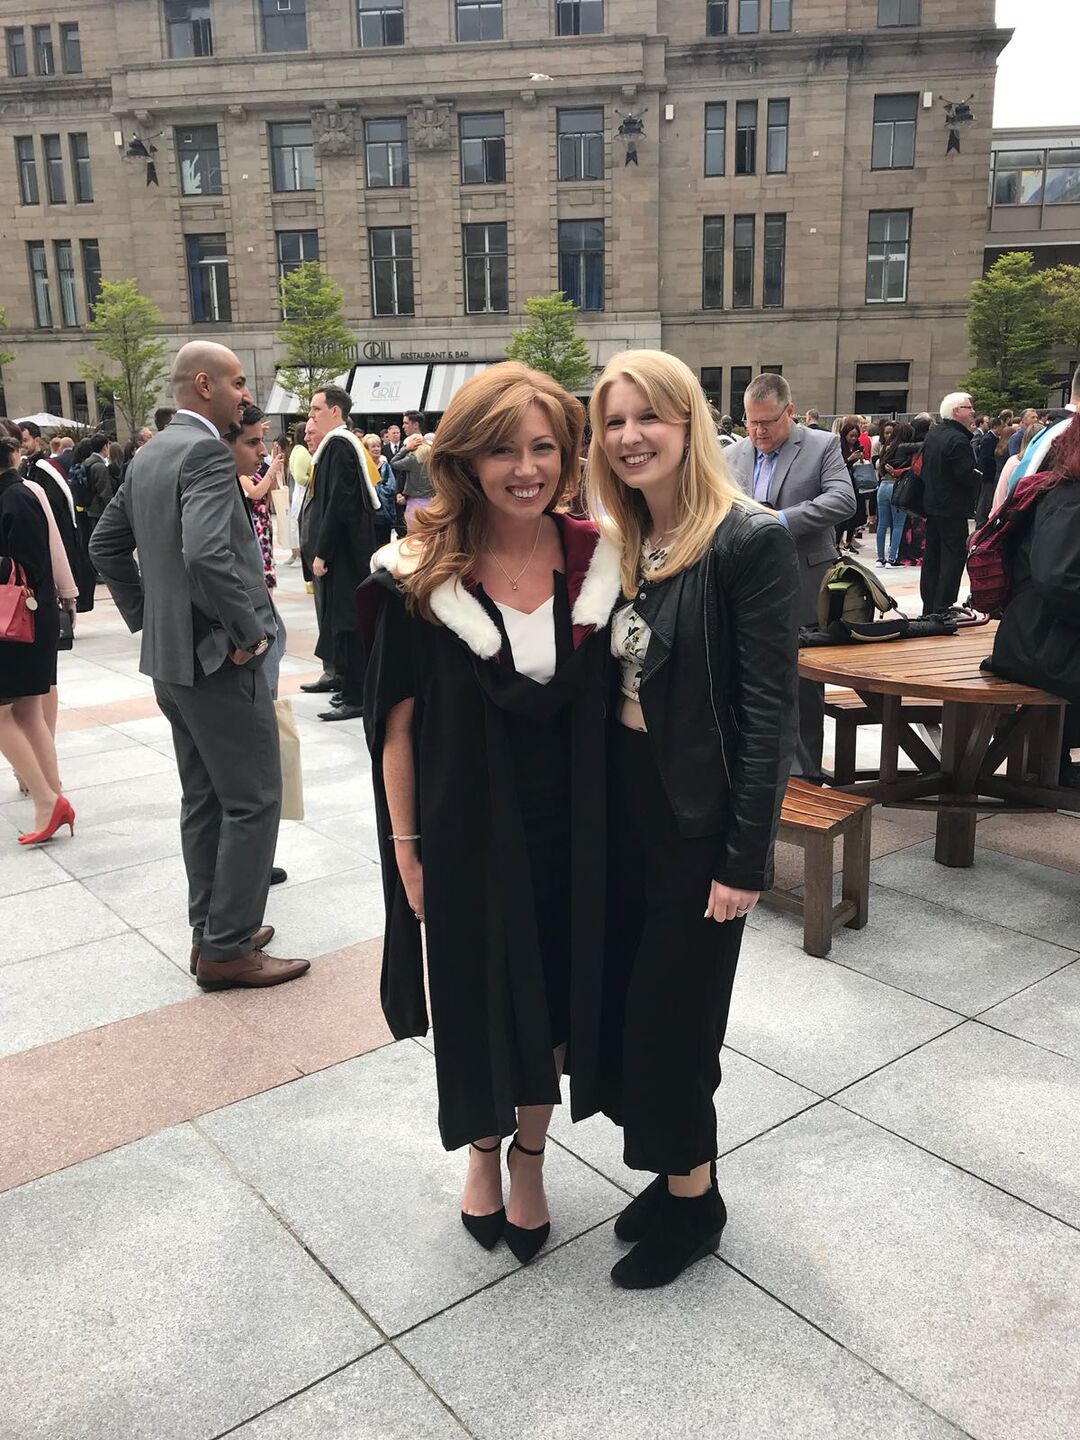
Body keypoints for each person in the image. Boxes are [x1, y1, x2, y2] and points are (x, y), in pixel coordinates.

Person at [358, 362, 620, 1266]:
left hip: (574, 831)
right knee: (475, 998)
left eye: (545, 446)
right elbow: (395, 729)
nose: (526, 467)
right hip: (464, 831)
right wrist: (407, 851)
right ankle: (479, 1149)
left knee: (550, 1001)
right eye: (503, 447)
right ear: (464, 460)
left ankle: (532, 1159)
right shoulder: (419, 575)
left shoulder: (602, 562)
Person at [586, 350, 797, 1289]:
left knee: (677, 1018)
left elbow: (767, 718)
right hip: (624, 804)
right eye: (613, 422)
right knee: (634, 1004)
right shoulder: (625, 539)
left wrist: (744, 857)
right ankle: (674, 1176)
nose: (630, 438)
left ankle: (696, 1200)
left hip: (697, 819)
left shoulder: (747, 542)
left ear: (689, 425)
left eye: (648, 419)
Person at [90, 340, 308, 991]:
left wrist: (152, 620)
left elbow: (106, 544)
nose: (247, 395)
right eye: (240, 383)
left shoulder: (152, 450)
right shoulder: (208, 452)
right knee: (253, 799)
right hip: (217, 663)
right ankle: (228, 946)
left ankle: (211, 929)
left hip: (172, 664)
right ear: (205, 384)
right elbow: (209, 554)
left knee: (205, 798)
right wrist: (248, 635)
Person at [726, 372, 854, 780]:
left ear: (790, 412)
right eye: (751, 422)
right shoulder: (731, 455)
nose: (758, 432)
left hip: (803, 581)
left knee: (802, 686)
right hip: (745, 584)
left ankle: (805, 775)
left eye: (767, 422)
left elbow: (843, 499)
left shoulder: (821, 445)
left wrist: (778, 519)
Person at [987, 412, 1080, 788]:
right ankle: (1033, 753)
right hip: (1040, 646)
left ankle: (1047, 758)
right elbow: (1058, 580)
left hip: (1047, 640)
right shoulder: (1069, 500)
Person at [0, 430, 72, 846]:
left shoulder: (15, 497)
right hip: (24, 619)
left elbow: (27, 566)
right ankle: (53, 796)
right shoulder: (17, 493)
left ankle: (48, 798)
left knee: (7, 714)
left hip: (18, 620)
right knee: (26, 712)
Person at [300, 385, 380, 723]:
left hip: (345, 555)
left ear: (336, 411)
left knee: (348, 622)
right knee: (341, 620)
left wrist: (323, 551)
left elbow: (339, 504)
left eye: (317, 409)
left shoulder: (340, 447)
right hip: (343, 553)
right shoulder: (336, 448)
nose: (311, 416)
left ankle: (356, 695)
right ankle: (347, 685)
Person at [919, 392, 979, 616]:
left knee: (932, 556)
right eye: (968, 407)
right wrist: (976, 479)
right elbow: (965, 474)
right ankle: (942, 606)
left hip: (932, 503)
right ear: (956, 411)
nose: (972, 411)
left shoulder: (934, 433)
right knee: (953, 557)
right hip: (952, 507)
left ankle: (930, 606)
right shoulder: (957, 439)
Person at [876, 421, 915, 566]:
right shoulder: (905, 448)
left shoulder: (886, 447)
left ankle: (880, 558)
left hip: (883, 486)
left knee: (882, 524)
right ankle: (892, 558)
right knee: (898, 524)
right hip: (896, 487)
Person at [835, 415, 866, 553]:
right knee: (842, 515)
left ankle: (849, 541)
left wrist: (860, 459)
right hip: (843, 483)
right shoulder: (839, 447)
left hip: (856, 483)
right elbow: (838, 466)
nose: (853, 439)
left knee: (855, 513)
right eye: (851, 436)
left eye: (855, 436)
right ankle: (837, 542)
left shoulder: (858, 447)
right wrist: (849, 459)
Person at [363, 432, 397, 548]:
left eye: (378, 446)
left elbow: (391, 488)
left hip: (383, 515)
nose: (377, 449)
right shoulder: (363, 468)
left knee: (383, 546)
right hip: (367, 515)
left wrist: (373, 488)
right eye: (373, 447)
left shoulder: (385, 466)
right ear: (366, 450)